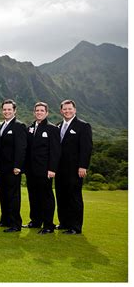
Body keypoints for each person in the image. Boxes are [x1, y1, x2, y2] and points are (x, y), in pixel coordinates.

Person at [55, 100, 92, 235]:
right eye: (64, 109)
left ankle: (75, 226)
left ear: (74, 110)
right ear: (61, 111)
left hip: (75, 169)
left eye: (69, 109)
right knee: (61, 196)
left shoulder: (83, 126)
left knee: (74, 197)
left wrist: (83, 166)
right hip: (59, 169)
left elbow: (86, 148)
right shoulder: (58, 126)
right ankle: (64, 222)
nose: (67, 111)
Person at [24, 102, 60, 234]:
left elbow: (55, 151)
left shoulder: (52, 129)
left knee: (46, 197)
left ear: (47, 113)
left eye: (41, 110)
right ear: (34, 113)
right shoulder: (30, 128)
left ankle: (48, 225)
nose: (39, 112)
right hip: (31, 170)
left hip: (45, 170)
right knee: (33, 196)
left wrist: (52, 169)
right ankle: (36, 221)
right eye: (37, 110)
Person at [0, 99, 27, 232]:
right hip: (2, 168)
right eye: (5, 109)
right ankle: (5, 220)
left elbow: (21, 148)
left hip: (13, 168)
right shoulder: (1, 125)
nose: (7, 111)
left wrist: (18, 166)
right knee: (3, 194)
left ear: (14, 111)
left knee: (13, 195)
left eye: (9, 109)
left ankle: (15, 224)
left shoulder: (19, 126)